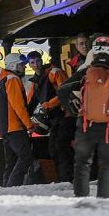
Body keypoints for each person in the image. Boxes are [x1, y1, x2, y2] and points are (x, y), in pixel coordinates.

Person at [58, 35, 109, 198]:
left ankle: (81, 197)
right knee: (107, 165)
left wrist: (75, 109)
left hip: (85, 124)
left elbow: (62, 90)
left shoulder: (85, 71)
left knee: (82, 163)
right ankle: (105, 199)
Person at [26, 51, 72, 182]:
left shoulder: (54, 73)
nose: (36, 65)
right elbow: (31, 101)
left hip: (65, 116)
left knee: (61, 148)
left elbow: (65, 92)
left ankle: (66, 179)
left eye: (38, 61)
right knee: (53, 150)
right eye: (33, 62)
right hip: (53, 120)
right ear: (29, 65)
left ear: (42, 60)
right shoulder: (36, 81)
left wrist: (48, 105)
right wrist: (24, 119)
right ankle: (61, 179)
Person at [0, 53, 34, 187]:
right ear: (13, 65)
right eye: (21, 64)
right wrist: (29, 125)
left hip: (5, 128)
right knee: (25, 156)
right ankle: (13, 186)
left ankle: (7, 187)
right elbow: (18, 106)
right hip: (14, 127)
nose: (24, 67)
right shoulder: (12, 79)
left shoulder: (2, 79)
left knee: (11, 161)